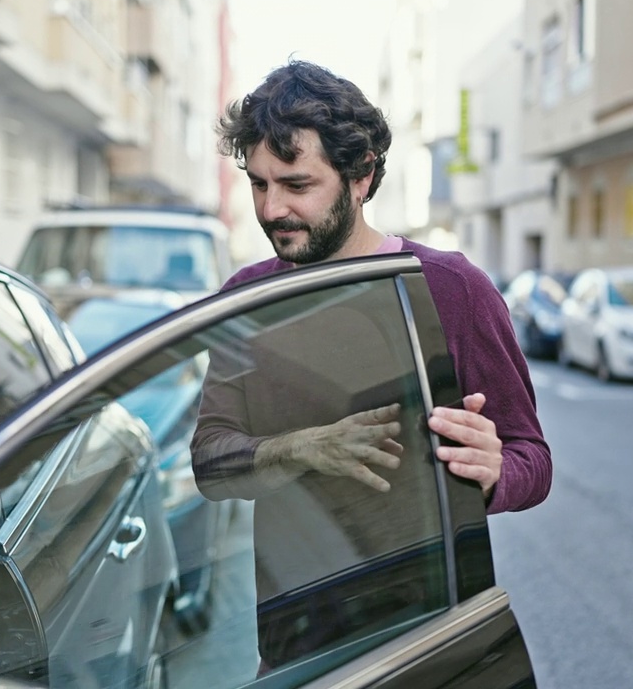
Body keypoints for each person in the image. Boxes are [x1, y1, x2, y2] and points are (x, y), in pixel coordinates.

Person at [190, 59, 551, 670]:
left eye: (297, 185)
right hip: (293, 642)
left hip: (431, 637)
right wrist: (302, 448)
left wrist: (494, 470)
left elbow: (532, 460)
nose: (272, 208)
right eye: (258, 183)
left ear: (362, 178)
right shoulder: (247, 298)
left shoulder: (451, 287)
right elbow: (210, 462)